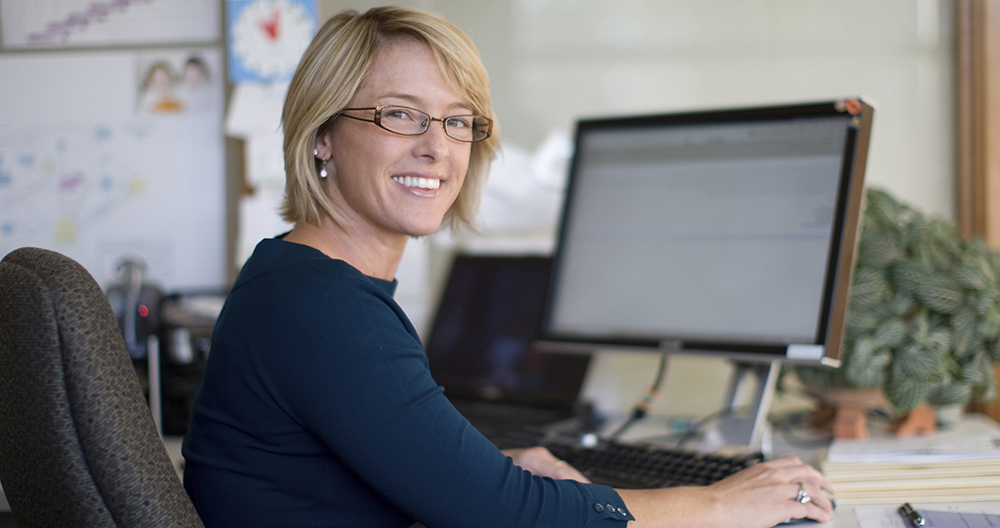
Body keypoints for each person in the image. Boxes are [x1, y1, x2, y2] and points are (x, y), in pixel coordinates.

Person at [181, 6, 836, 528]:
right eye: (400, 114)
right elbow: (502, 515)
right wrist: (723, 505)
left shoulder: (296, 279)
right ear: (322, 134)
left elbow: (344, 472)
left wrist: (486, 466)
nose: (437, 147)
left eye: (458, 121)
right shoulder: (322, 308)